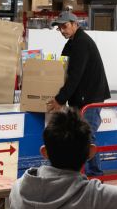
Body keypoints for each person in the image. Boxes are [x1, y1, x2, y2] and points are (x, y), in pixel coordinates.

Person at [46, 11, 110, 177]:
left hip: (90, 98)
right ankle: (80, 173)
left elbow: (75, 76)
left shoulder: (81, 43)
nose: (62, 31)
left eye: (65, 26)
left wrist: (60, 99)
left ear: (75, 24)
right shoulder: (72, 42)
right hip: (81, 97)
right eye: (60, 28)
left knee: (87, 136)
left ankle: (95, 174)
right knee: (80, 136)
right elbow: (64, 70)